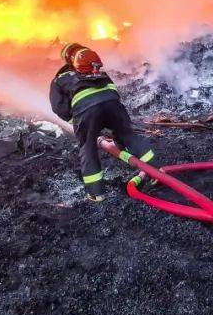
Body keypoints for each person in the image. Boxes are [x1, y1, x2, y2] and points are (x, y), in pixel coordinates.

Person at [49, 42, 156, 202]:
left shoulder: (60, 79)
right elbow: (113, 93)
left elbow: (58, 107)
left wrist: (74, 121)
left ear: (68, 60)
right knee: (129, 136)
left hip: (87, 113)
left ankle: (96, 192)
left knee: (88, 148)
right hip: (114, 105)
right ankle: (156, 172)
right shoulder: (100, 72)